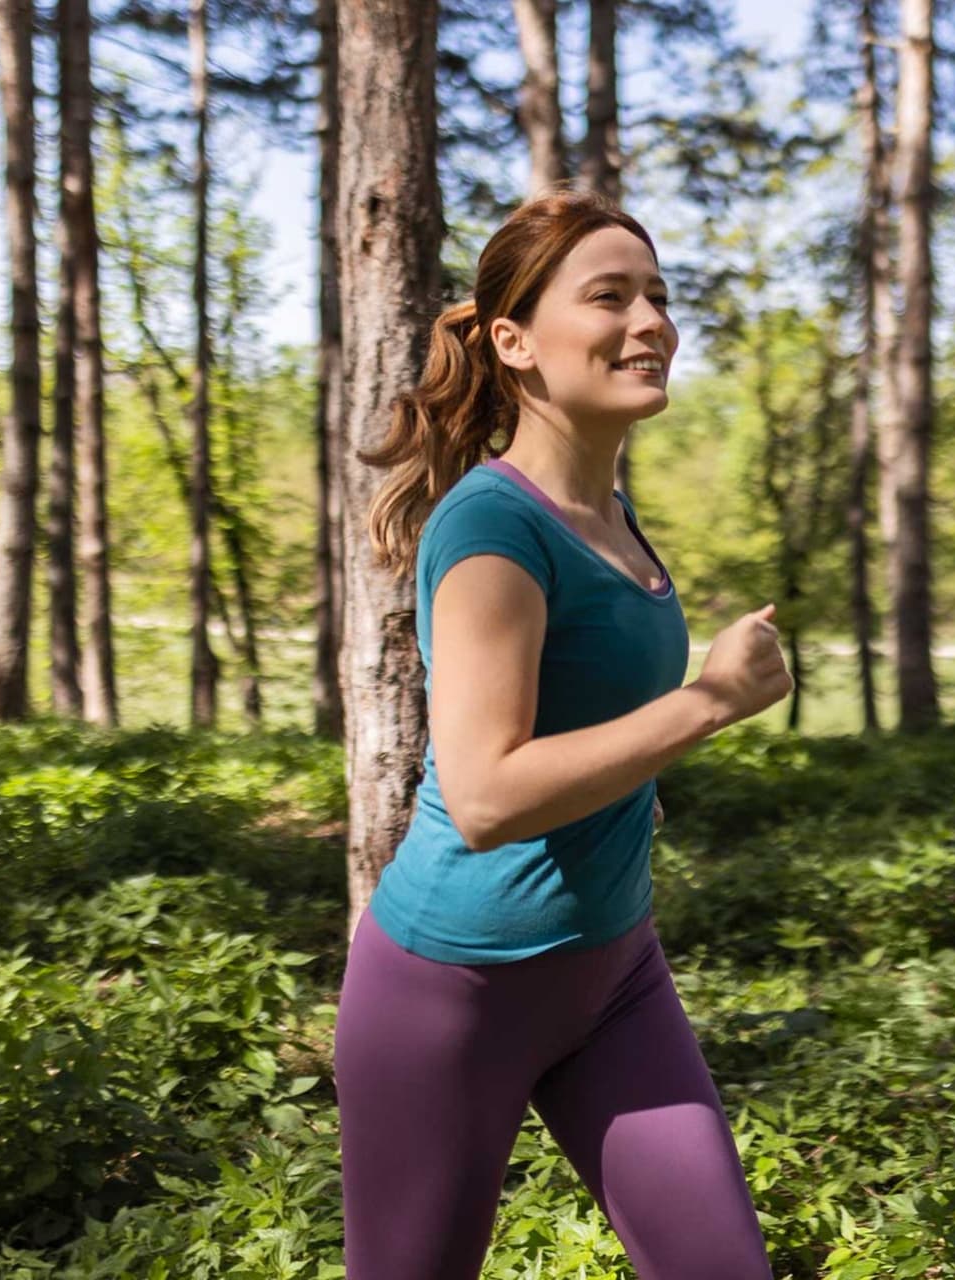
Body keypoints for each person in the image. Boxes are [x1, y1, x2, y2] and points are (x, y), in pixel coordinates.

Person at [331, 189, 791, 1280]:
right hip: (456, 991)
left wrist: (631, 782)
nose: (651, 323)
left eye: (658, 297)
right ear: (514, 341)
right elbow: (487, 795)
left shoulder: (611, 513)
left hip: (614, 968)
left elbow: (578, 719)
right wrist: (708, 700)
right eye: (609, 297)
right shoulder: (493, 527)